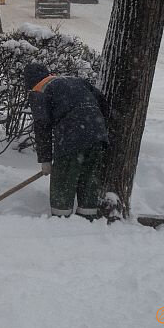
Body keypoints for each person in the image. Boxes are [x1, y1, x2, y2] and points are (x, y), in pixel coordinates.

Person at [23, 63, 109, 220]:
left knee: (63, 179)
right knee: (89, 179)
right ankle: (87, 218)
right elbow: (103, 104)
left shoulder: (39, 91)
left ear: (29, 82)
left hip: (71, 138)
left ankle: (61, 220)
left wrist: (45, 160)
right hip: (97, 136)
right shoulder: (76, 81)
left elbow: (42, 127)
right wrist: (96, 127)